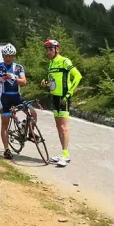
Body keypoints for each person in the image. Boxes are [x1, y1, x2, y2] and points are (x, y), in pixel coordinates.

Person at [40, 39, 82, 168]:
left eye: (50, 49)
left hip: (63, 98)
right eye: (47, 49)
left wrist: (68, 94)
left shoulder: (65, 61)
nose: (48, 51)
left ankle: (65, 155)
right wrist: (46, 83)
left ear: (57, 49)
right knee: (59, 127)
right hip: (55, 97)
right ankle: (63, 153)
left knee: (63, 127)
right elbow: (53, 80)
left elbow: (78, 76)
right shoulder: (51, 64)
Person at [0, 43, 35, 160]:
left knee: (33, 112)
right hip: (4, 98)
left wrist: (14, 77)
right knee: (5, 123)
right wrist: (0, 79)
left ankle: (31, 132)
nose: (8, 58)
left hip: (17, 96)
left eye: (10, 56)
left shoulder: (18, 67)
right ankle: (6, 149)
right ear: (3, 56)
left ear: (14, 56)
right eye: (6, 56)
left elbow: (24, 82)